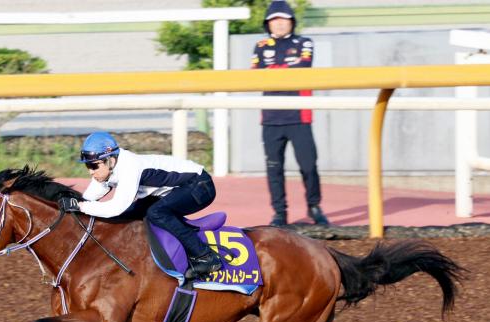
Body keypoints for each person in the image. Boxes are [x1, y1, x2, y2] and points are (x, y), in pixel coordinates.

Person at [58, 131, 223, 279]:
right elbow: (89, 198)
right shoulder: (111, 166)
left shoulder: (130, 167)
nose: (90, 171)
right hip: (175, 190)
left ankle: (206, 257)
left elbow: (115, 207)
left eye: (94, 165)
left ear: (110, 160)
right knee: (129, 215)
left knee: (156, 213)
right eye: (88, 166)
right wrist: (74, 204)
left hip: (200, 186)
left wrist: (80, 206)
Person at [251, 0, 329, 226]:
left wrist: (274, 71)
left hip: (299, 116)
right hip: (271, 118)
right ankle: (279, 213)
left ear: (292, 22)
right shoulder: (261, 45)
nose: (279, 24)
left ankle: (314, 206)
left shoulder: (304, 42)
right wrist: (282, 70)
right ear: (268, 24)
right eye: (274, 20)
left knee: (309, 165)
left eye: (283, 19)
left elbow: (303, 67)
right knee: (274, 168)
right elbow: (257, 74)